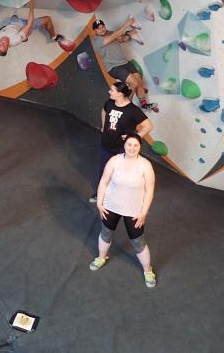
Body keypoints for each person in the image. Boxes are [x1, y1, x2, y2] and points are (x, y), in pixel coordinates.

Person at [89, 133, 157, 288]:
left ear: (140, 147)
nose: (132, 148)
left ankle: (147, 270)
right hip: (111, 205)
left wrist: (143, 213)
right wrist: (100, 203)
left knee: (138, 242)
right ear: (124, 145)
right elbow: (104, 182)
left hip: (134, 210)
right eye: (129, 144)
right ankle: (101, 257)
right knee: (106, 232)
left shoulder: (145, 165)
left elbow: (149, 191)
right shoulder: (114, 161)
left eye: (136, 145)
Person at [88, 81, 152, 203]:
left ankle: (119, 196)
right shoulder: (110, 103)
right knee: (104, 171)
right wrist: (103, 126)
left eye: (112, 90)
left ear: (120, 94)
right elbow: (104, 111)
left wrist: (134, 138)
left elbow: (148, 126)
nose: (109, 92)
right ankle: (101, 193)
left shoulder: (133, 111)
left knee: (120, 174)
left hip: (121, 149)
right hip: (106, 144)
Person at [92, 18, 157, 111]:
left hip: (125, 63)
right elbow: (111, 38)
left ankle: (144, 105)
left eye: (103, 26)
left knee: (139, 82)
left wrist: (128, 34)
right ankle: (124, 107)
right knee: (133, 83)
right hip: (114, 67)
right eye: (99, 28)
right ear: (95, 31)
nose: (102, 29)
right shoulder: (96, 41)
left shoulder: (111, 33)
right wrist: (126, 24)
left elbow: (122, 39)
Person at [0, 0, 64, 56]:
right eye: (4, 46)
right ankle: (54, 36)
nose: (3, 43)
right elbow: (29, 24)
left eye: (0, 45)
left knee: (14, 17)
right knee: (47, 19)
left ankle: (6, 29)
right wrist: (31, 4)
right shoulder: (15, 40)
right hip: (24, 27)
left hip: (14, 23)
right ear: (8, 47)